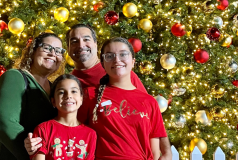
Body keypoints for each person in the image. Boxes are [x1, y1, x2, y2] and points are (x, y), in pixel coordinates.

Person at [25, 24, 171, 159]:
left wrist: (166, 151)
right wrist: (39, 142)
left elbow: (150, 119)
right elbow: (68, 127)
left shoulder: (122, 71)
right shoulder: (72, 86)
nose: (81, 45)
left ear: (95, 44)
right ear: (68, 50)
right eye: (74, 41)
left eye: (86, 39)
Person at [81, 37, 168, 160]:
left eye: (123, 54)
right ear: (103, 63)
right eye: (110, 56)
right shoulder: (90, 95)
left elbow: (154, 150)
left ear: (132, 61)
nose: (117, 60)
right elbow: (75, 133)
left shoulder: (149, 102)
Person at [0, 32, 66, 160]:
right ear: (33, 51)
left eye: (59, 51)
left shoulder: (55, 88)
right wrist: (33, 154)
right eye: (47, 48)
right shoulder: (14, 77)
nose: (53, 54)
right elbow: (3, 122)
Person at [31, 74, 96, 160]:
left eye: (73, 91)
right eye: (61, 92)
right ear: (53, 101)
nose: (68, 96)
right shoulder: (43, 129)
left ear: (81, 99)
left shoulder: (90, 134)